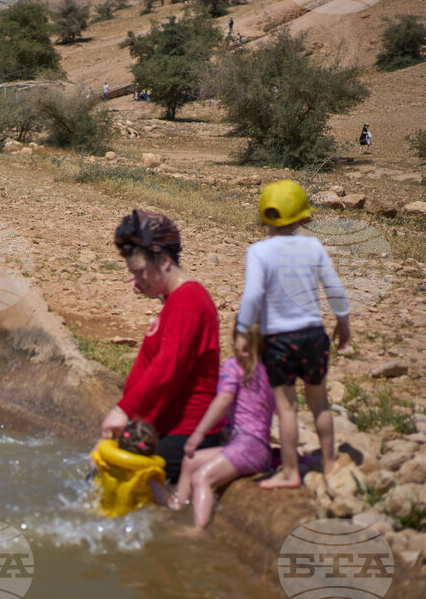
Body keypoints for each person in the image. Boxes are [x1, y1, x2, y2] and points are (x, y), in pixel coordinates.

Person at [236, 180, 351, 489]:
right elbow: (334, 287)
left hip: (279, 340)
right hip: (313, 336)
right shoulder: (313, 247)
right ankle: (328, 462)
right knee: (320, 401)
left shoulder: (258, 251)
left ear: (264, 217)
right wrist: (343, 322)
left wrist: (243, 331)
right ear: (303, 216)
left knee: (286, 407)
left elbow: (252, 296)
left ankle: (289, 472)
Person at [100, 210, 221, 484]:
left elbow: (168, 365)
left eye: (141, 271)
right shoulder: (177, 300)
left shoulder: (188, 303)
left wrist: (124, 410)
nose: (136, 280)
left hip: (184, 434)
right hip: (164, 427)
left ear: (165, 261)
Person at [169, 324, 274, 529]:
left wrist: (199, 434)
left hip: (247, 449)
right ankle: (176, 508)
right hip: (255, 448)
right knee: (190, 461)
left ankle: (199, 529)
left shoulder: (233, 367)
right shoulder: (269, 373)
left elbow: (224, 399)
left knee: (202, 477)